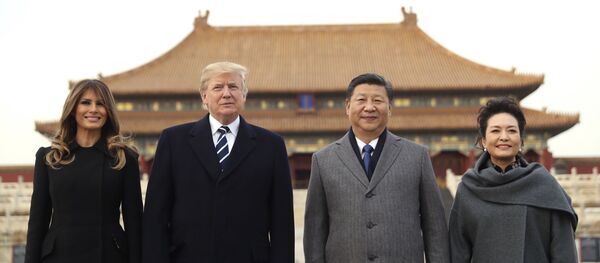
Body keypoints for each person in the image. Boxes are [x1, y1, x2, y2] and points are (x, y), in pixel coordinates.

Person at [142, 61, 295, 263]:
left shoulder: (271, 145)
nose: (226, 94)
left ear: (244, 94)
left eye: (233, 87)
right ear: (204, 96)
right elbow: (156, 215)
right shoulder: (173, 141)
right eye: (217, 87)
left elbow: (282, 221)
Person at [303, 73, 450, 263]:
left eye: (378, 100)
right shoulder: (323, 160)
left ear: (389, 109)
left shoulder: (417, 156)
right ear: (348, 107)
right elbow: (315, 232)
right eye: (361, 100)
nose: (369, 107)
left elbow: (435, 227)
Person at [25, 79, 142, 263]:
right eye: (86, 102)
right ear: (73, 109)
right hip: (58, 257)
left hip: (109, 256)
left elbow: (134, 224)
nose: (93, 109)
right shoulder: (49, 158)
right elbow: (37, 223)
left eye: (100, 104)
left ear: (108, 111)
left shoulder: (123, 159)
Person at [448, 97, 578, 263]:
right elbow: (458, 252)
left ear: (521, 141)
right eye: (495, 131)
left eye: (511, 130)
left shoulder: (544, 185)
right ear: (484, 141)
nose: (504, 137)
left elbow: (564, 251)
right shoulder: (469, 189)